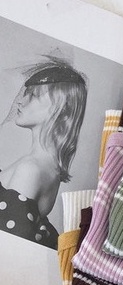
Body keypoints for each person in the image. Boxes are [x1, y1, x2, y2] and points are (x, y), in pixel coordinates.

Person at [0, 59, 87, 249]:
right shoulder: (45, 167)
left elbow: (9, 248)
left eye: (33, 95)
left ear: (61, 109)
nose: (21, 101)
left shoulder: (30, 169)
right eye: (25, 93)